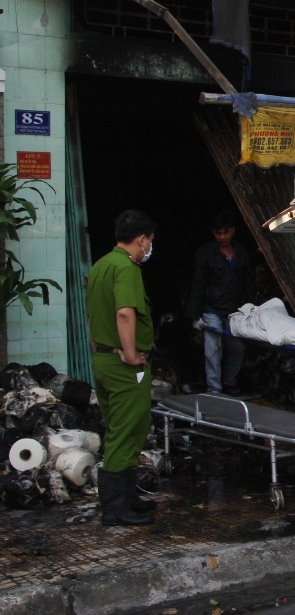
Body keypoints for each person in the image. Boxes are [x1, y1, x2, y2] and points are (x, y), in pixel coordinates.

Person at [86, 209, 158, 526]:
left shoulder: (101, 265)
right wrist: (130, 354)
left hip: (103, 359)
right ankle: (115, 508)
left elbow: (92, 316)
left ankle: (128, 497)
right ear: (141, 239)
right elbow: (125, 313)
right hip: (122, 364)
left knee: (120, 427)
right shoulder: (126, 269)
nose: (149, 247)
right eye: (150, 241)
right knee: (126, 431)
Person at [185, 210, 256, 395]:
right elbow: (197, 284)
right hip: (212, 309)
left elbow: (248, 282)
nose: (222, 237)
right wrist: (194, 315)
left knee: (237, 348)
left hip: (236, 310)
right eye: (218, 233)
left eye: (226, 232)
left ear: (233, 231)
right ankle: (214, 388)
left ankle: (229, 381)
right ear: (212, 232)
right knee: (212, 349)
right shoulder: (205, 254)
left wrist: (251, 310)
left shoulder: (241, 253)